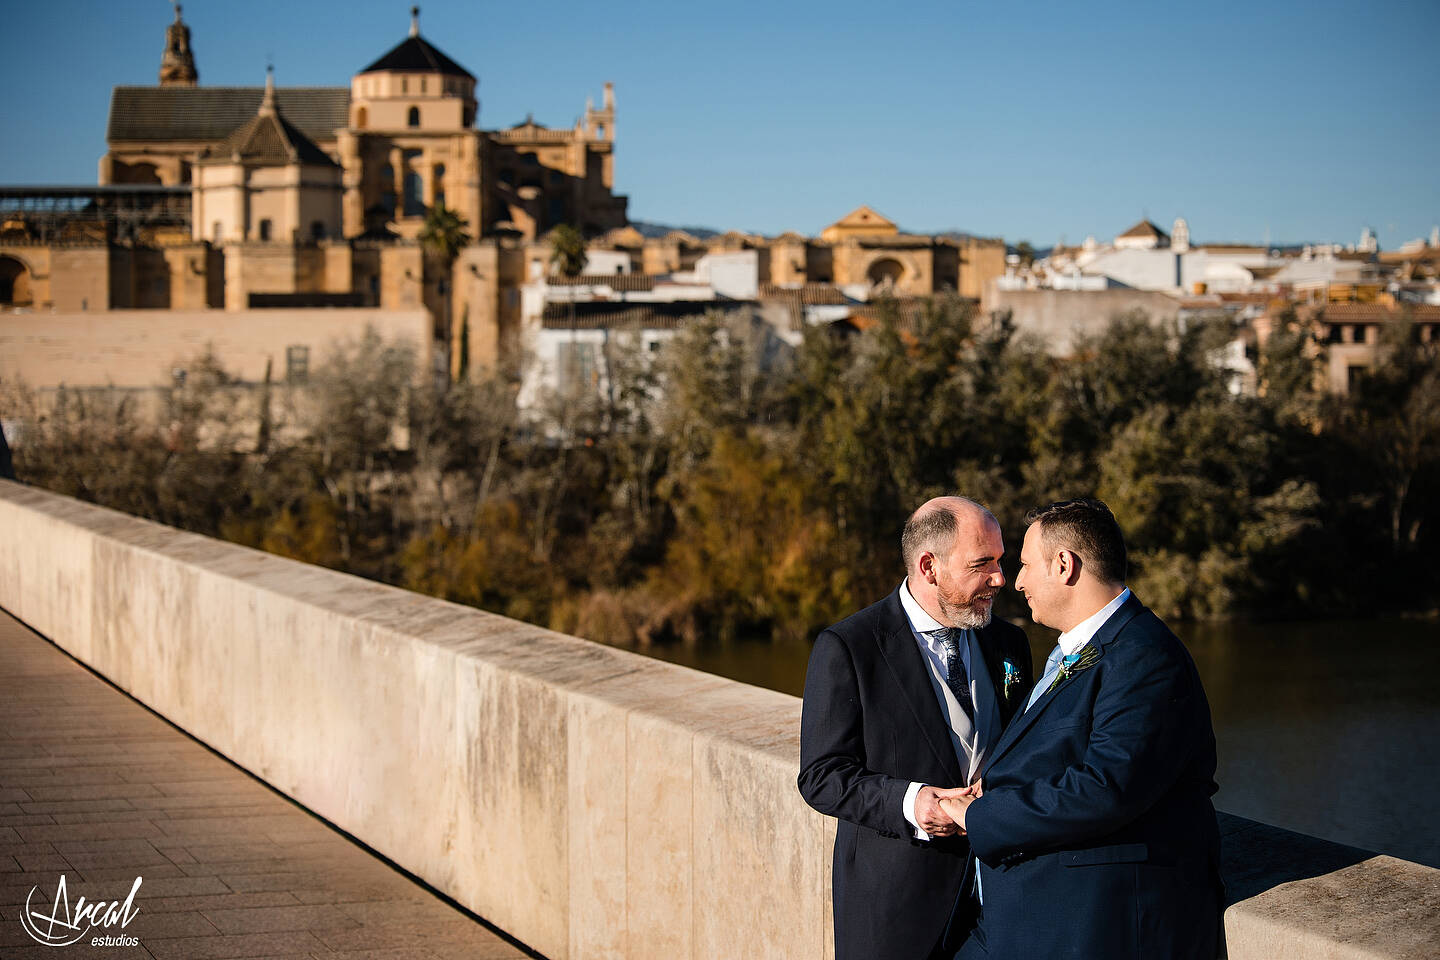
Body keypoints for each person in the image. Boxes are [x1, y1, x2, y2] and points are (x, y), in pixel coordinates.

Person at [941, 498, 1223, 960]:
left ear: (1065, 565)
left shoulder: (1144, 656)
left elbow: (1106, 786)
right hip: (1024, 915)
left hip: (1094, 924)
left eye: (1027, 565)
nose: (1018, 581)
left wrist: (980, 816)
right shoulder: (1080, 649)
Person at [798, 497, 1034, 960]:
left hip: (1002, 906)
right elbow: (821, 776)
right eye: (982, 564)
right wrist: (912, 801)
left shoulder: (1009, 642)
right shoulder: (849, 647)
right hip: (894, 914)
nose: (1000, 579)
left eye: (1001, 561)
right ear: (929, 567)